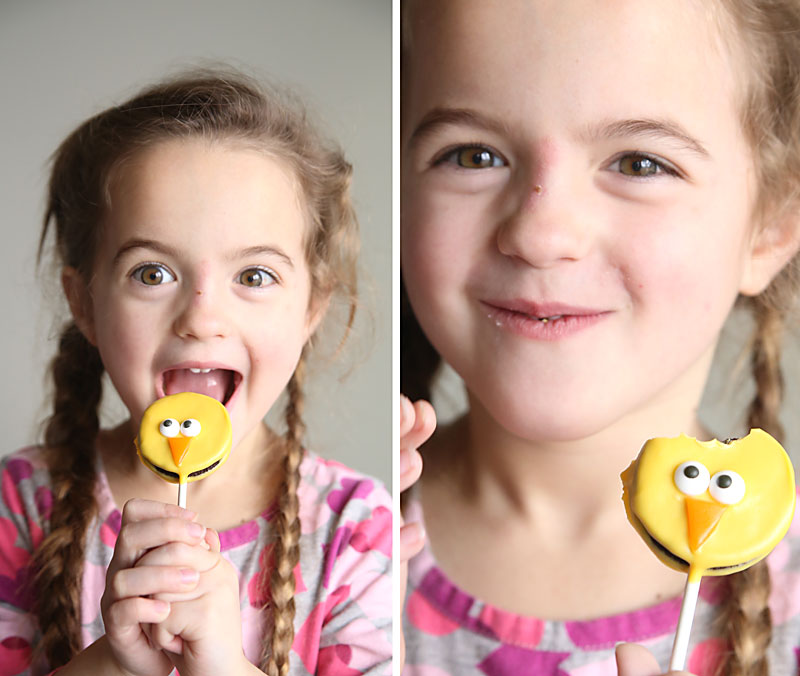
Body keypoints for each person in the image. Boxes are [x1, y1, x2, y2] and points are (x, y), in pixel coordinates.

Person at [399, 1, 800, 674]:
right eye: (473, 155)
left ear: (770, 225)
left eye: (640, 164)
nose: (540, 233)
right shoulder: (338, 551)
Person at [0, 71, 392, 676]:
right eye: (152, 274)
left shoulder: (357, 530)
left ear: (312, 308)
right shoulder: (18, 504)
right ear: (85, 304)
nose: (202, 317)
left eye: (254, 276)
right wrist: (114, 661)